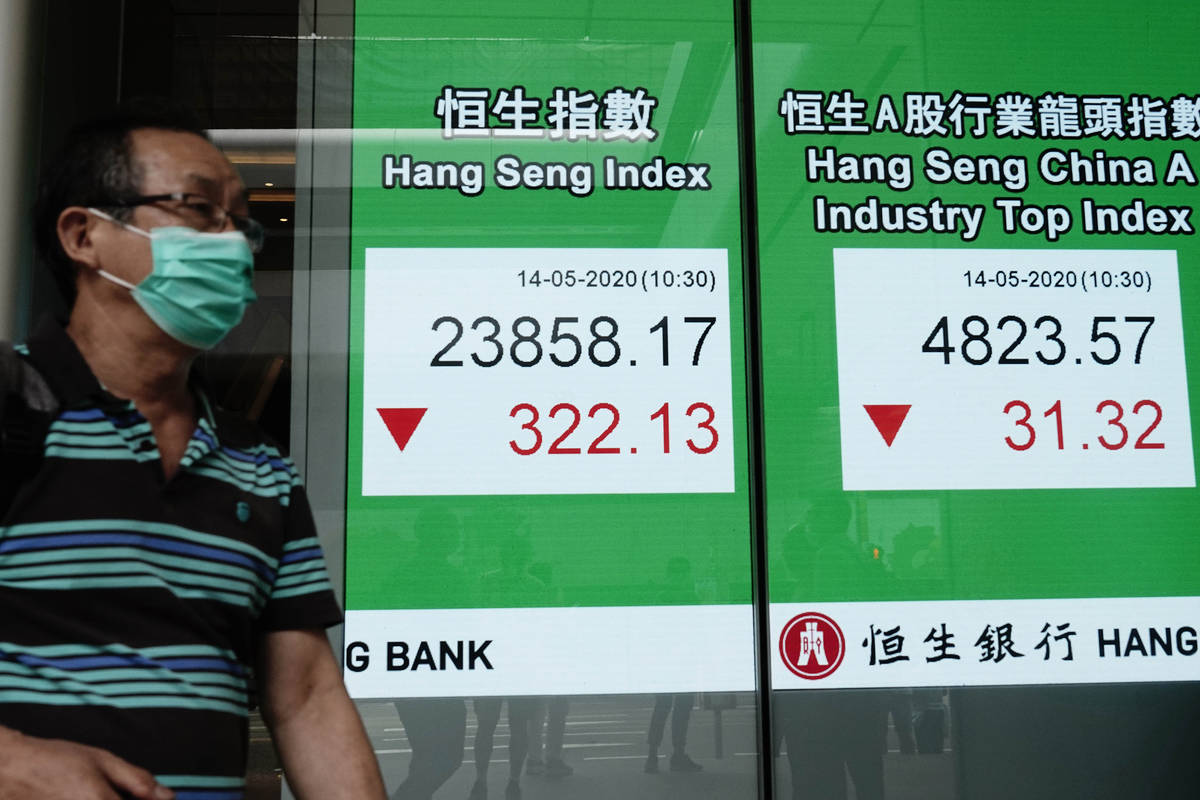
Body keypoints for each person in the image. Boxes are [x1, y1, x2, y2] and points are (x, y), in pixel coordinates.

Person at [0, 105, 386, 799]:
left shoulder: (258, 464)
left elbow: (304, 700)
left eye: (241, 222)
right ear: (84, 234)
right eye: (199, 209)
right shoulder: (11, 406)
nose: (232, 243)